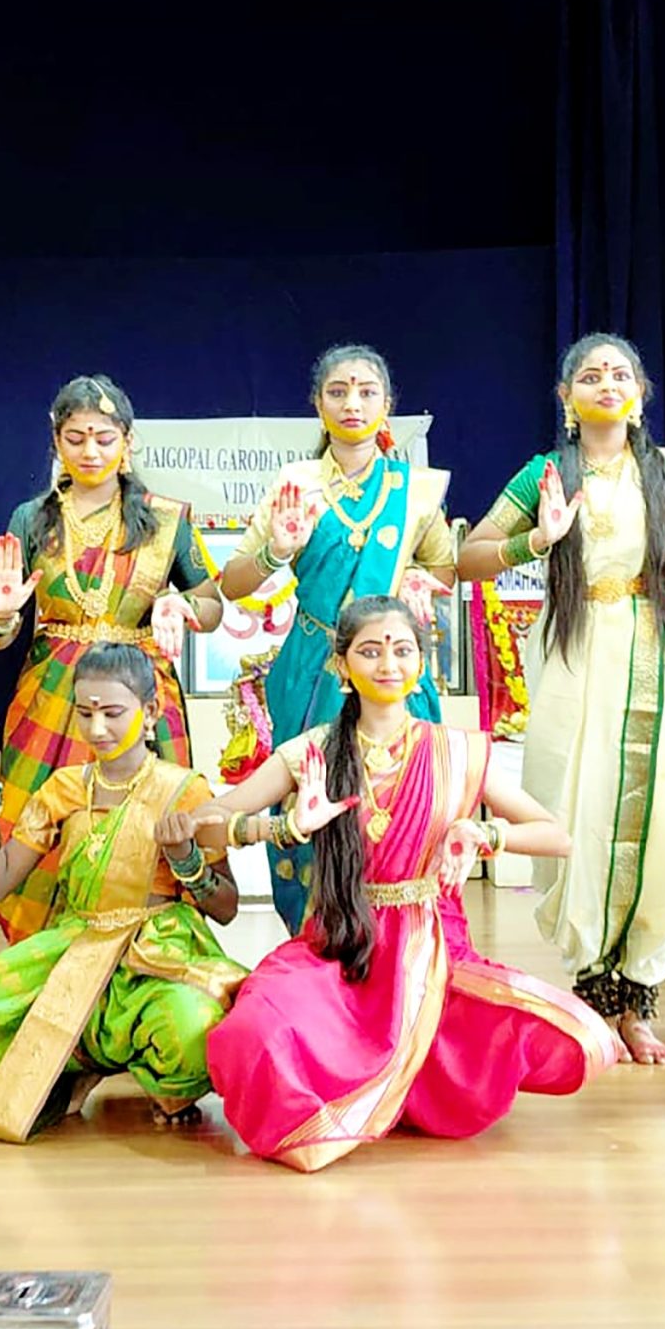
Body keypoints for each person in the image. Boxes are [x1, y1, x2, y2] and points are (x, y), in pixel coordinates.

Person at [184, 597, 619, 1172]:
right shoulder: (311, 752)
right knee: (252, 1031)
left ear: (421, 662)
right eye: (370, 651)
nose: (388, 663)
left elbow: (555, 835)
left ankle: (395, 1081)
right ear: (341, 665)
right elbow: (208, 821)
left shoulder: (456, 751)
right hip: (340, 945)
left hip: (432, 954)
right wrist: (283, 828)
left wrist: (482, 834)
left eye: (402, 650)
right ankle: (341, 1101)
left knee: (559, 1037)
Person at [455, 333, 665, 1066]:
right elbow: (467, 558)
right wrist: (535, 541)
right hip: (576, 655)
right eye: (590, 375)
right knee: (580, 805)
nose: (606, 383)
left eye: (619, 374)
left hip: (657, 652)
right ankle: (593, 992)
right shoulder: (546, 474)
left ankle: (639, 996)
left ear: (639, 392)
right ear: (566, 398)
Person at [0, 643, 245, 1141]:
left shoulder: (183, 790)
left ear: (150, 712)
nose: (97, 729)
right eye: (85, 713)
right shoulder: (63, 787)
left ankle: (146, 1075)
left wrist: (187, 862)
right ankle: (67, 1076)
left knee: (195, 1029)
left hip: (155, 959)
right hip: (72, 954)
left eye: (112, 713)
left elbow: (227, 908)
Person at [0, 376, 222, 939]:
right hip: (52, 697)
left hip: (138, 691)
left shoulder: (165, 519)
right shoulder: (31, 518)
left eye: (105, 439)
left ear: (127, 442)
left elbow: (212, 608)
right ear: (56, 442)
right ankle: (47, 955)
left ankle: (142, 945)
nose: (90, 451)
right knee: (41, 829)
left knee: (151, 821)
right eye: (76, 438)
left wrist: (181, 605)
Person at [219, 343, 456, 930]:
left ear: (387, 403)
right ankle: (312, 941)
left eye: (367, 392)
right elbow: (234, 583)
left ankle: (395, 937)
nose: (353, 403)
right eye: (338, 391)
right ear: (317, 404)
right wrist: (277, 550)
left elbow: (445, 569)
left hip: (390, 670)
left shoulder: (416, 488)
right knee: (307, 799)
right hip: (311, 667)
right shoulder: (295, 484)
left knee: (397, 805)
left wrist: (421, 579)